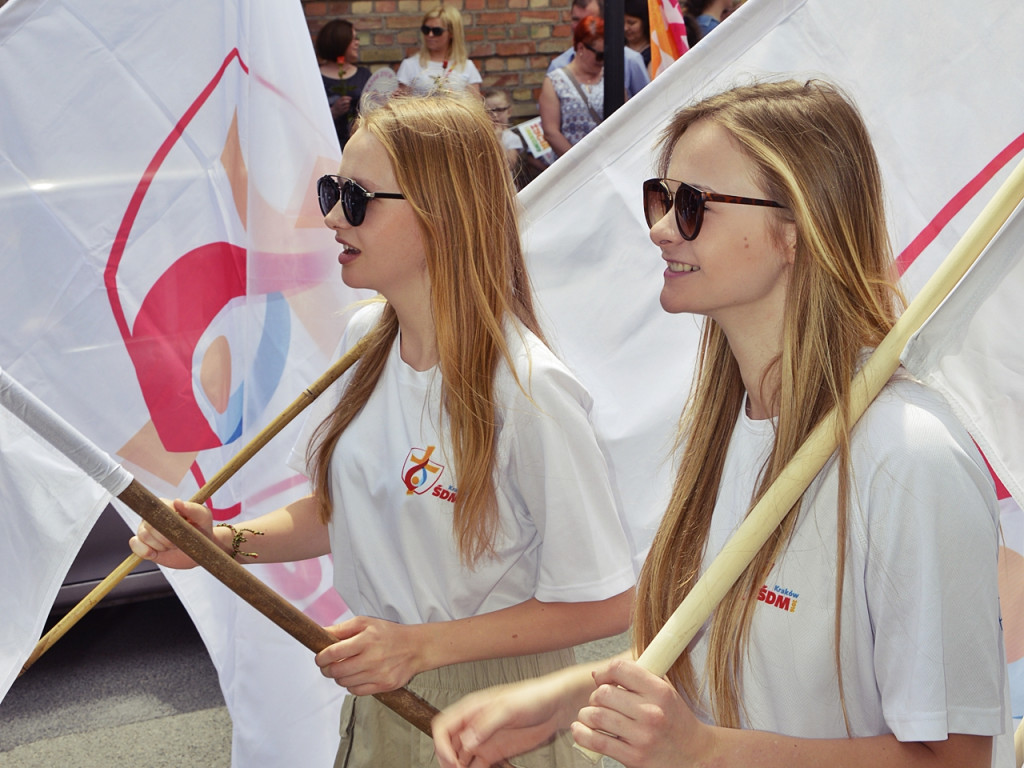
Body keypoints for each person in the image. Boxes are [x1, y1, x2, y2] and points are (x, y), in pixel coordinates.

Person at [432, 79, 1012, 768]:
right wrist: (562, 698)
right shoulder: (727, 424)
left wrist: (706, 752)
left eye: (692, 205)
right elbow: (713, 652)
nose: (659, 229)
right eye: (660, 197)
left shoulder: (909, 456)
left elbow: (958, 759)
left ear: (795, 230)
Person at [129, 94, 635, 768]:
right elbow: (341, 510)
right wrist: (221, 542)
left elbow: (606, 602)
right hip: (383, 699)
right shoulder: (365, 339)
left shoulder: (530, 391)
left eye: (358, 198)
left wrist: (419, 647)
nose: (333, 217)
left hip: (499, 713)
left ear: (442, 213)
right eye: (332, 190)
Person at [540, 16, 611, 157]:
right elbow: (551, 132)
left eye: (607, 55)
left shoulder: (611, 77)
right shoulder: (555, 81)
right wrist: (579, 161)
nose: (603, 61)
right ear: (581, 48)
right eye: (600, 55)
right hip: (572, 163)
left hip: (608, 159)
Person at [548, 0, 650, 98]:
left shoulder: (631, 61)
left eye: (588, 20)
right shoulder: (558, 66)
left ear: (603, 21)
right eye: (576, 20)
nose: (580, 27)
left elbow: (648, 103)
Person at [396, 4, 481, 97]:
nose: (430, 35)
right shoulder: (410, 65)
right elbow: (401, 102)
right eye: (426, 30)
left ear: (452, 33)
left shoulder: (467, 66)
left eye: (437, 31)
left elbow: (476, 104)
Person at [316, 19, 372, 149]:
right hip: (327, 147)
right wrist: (333, 112)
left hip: (361, 147)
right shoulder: (316, 77)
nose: (357, 43)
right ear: (339, 41)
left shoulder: (363, 75)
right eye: (353, 39)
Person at [623, 0, 651, 68]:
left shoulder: (654, 53)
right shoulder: (615, 46)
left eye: (631, 23)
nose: (625, 28)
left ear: (645, 23)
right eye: (622, 22)